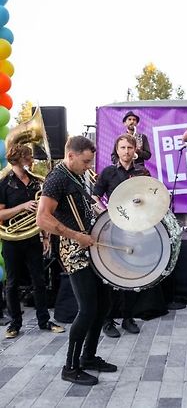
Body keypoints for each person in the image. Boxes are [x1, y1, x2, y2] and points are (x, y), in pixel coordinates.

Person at [37, 136, 116, 386]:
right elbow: (42, 218)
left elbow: (80, 205)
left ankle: (89, 357)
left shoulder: (76, 174)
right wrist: (75, 236)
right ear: (70, 155)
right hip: (74, 250)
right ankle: (70, 367)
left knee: (103, 304)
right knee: (88, 309)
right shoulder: (57, 178)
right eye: (85, 161)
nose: (88, 166)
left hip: (88, 245)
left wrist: (97, 212)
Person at [0, 144, 65, 339]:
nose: (32, 159)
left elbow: (44, 212)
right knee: (11, 283)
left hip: (33, 238)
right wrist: (22, 206)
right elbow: (1, 214)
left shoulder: (38, 183)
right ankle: (15, 323)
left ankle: (44, 320)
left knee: (39, 281)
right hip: (12, 240)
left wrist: (46, 236)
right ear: (19, 158)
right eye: (28, 156)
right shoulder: (4, 184)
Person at [93, 134, 150, 337]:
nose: (126, 151)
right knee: (111, 276)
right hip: (113, 231)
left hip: (135, 230)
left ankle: (128, 318)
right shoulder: (108, 172)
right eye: (122, 147)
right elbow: (94, 196)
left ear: (135, 150)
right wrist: (105, 213)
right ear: (117, 150)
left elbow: (151, 198)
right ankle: (108, 321)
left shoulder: (142, 172)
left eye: (129, 148)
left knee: (132, 276)